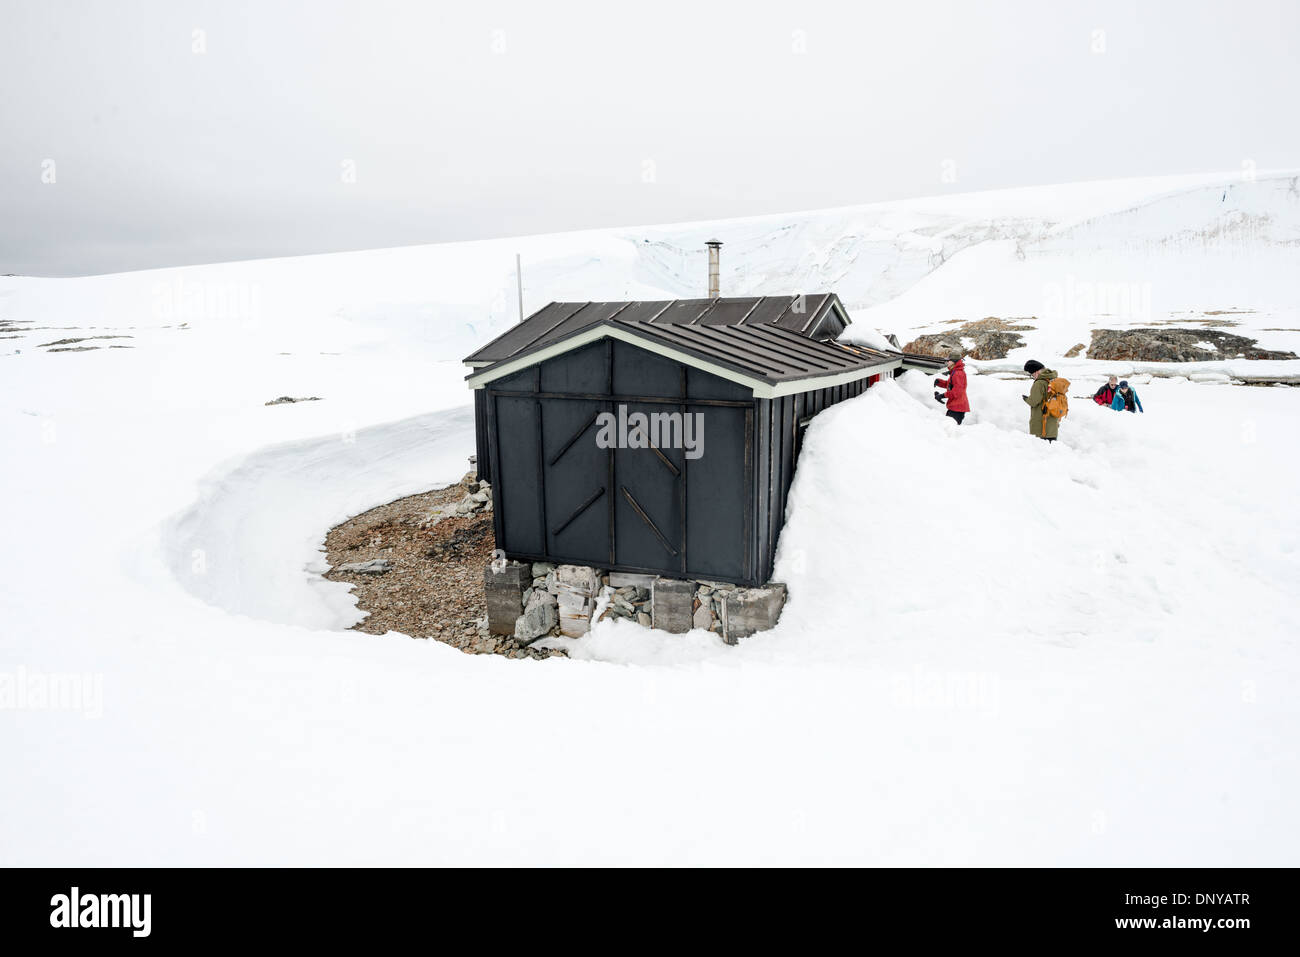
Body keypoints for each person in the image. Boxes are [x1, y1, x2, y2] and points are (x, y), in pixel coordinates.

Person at [1022, 359, 1061, 442]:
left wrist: (1026, 399)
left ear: (1036, 372)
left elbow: (1033, 401)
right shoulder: (1054, 379)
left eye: (1032, 374)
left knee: (1039, 452)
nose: (1033, 377)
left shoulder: (1039, 383)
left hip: (1041, 426)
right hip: (1053, 425)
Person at [933, 350, 971, 424]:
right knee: (949, 428)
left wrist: (942, 395)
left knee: (950, 430)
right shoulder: (955, 372)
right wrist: (939, 382)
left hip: (957, 409)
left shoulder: (958, 374)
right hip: (955, 407)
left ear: (954, 361)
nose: (947, 362)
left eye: (949, 360)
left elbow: (956, 392)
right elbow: (951, 385)